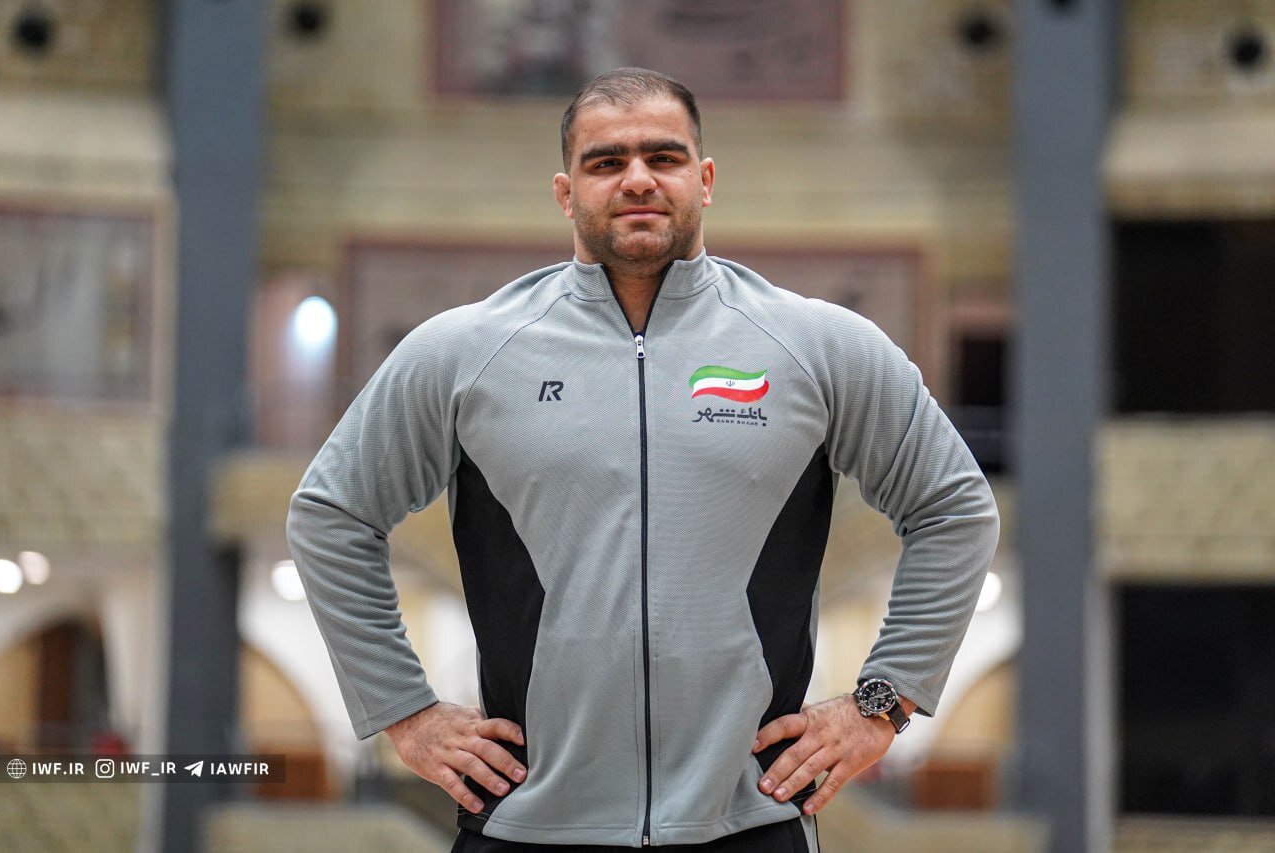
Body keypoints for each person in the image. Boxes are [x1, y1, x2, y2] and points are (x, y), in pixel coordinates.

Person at [287, 67, 999, 852]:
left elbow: (954, 506)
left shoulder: (817, 346)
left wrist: (882, 703)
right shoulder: (466, 352)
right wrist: (404, 709)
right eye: (605, 162)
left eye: (663, 157)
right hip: (526, 821)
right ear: (566, 193)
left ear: (706, 179)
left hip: (751, 818)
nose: (636, 179)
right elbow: (331, 513)